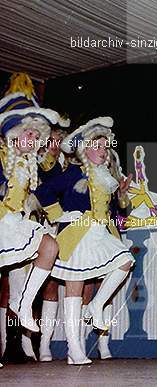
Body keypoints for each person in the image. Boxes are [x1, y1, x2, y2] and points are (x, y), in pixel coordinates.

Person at [35, 117, 134, 365]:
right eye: (97, 146)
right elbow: (44, 192)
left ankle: (96, 306)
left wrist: (121, 196)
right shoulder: (74, 173)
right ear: (85, 149)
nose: (103, 151)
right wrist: (60, 216)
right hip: (78, 234)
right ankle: (74, 349)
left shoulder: (108, 178)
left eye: (105, 146)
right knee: (74, 288)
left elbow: (121, 212)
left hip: (103, 233)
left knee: (125, 261)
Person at [0, 89, 61, 364]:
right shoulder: (2, 155)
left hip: (13, 223)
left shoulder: (26, 162)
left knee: (50, 246)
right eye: (29, 133)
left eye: (38, 136)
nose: (34, 140)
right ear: (14, 132)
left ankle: (23, 304)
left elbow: (42, 195)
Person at [36, 120, 70, 362]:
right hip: (34, 224)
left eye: (59, 141)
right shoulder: (36, 162)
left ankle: (44, 345)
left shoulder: (67, 166)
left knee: (51, 285)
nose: (55, 146)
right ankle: (19, 342)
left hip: (59, 227)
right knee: (15, 286)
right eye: (51, 141)